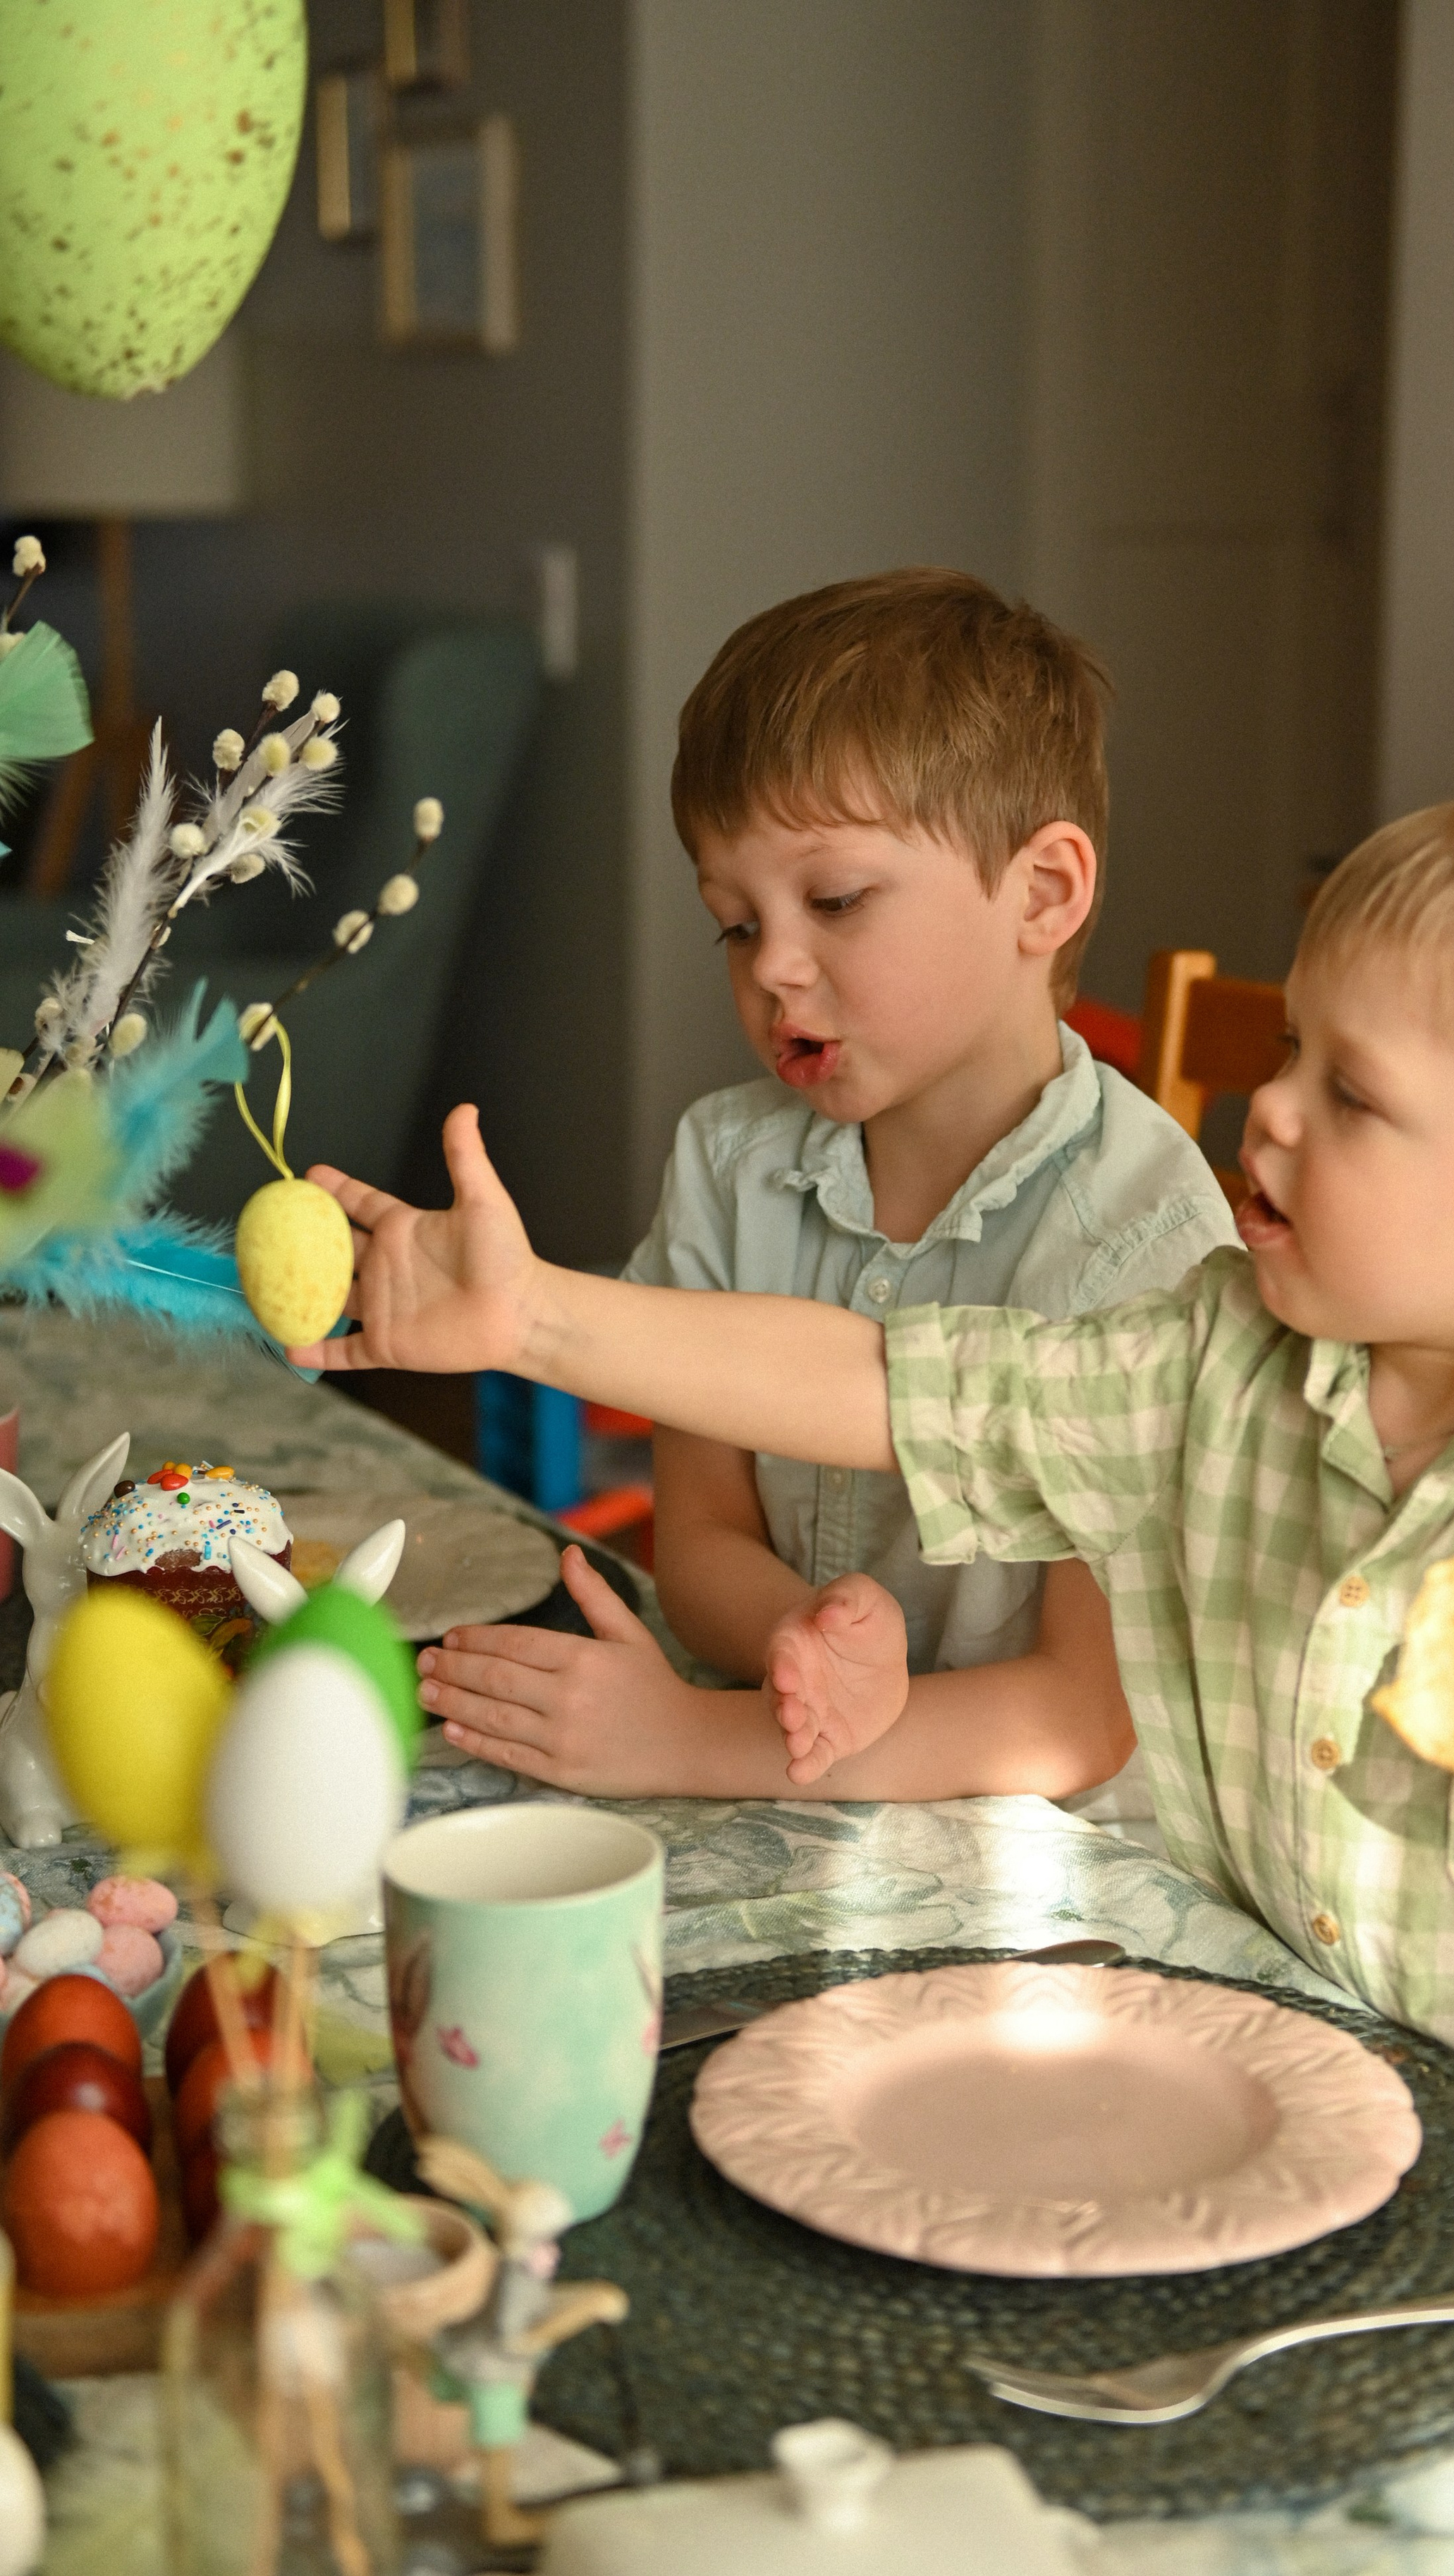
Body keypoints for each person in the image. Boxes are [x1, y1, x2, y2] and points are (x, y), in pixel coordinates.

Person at [298, 773, 1454, 2222]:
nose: (1266, 1114)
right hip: (1343, 2132)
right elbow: (888, 1387)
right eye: (1288, 1048)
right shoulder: (1214, 1358)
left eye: (1347, 1094)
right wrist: (535, 1317)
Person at [411, 569, 1236, 1801]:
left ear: (1045, 892)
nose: (775, 970)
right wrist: (810, 1642)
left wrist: (694, 1741)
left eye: (836, 900)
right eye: (734, 924)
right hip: (800, 1802)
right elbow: (699, 1538)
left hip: (1037, 1862)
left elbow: (1074, 1721)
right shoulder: (728, 1165)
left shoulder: (1147, 1241)